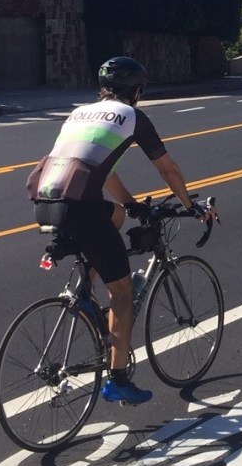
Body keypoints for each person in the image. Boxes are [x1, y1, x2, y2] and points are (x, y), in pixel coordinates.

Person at [26, 56, 212, 405]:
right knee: (123, 292)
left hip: (45, 201)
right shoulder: (132, 117)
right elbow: (168, 169)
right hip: (81, 208)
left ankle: (84, 290)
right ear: (137, 91)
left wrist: (128, 204)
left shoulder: (79, 112)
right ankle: (118, 379)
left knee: (114, 214)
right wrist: (190, 206)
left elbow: (102, 171)